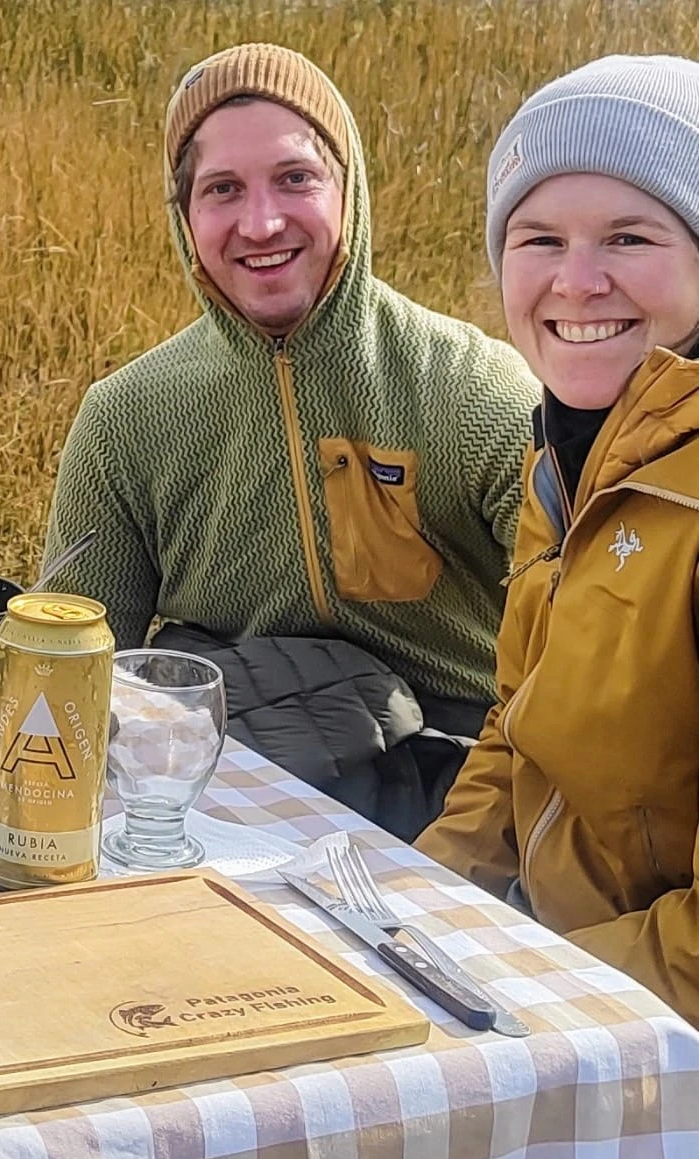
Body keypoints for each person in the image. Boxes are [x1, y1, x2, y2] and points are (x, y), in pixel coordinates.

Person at [41, 42, 540, 839]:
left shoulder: (477, 393)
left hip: (453, 794)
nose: (261, 223)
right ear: (183, 215)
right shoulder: (126, 417)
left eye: (296, 178)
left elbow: (579, 669)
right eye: (222, 189)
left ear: (350, 190)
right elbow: (70, 673)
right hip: (208, 790)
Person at [413, 53, 699, 1159]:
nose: (577, 282)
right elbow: (512, 728)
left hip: (655, 1076)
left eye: (630, 235)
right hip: (576, 997)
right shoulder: (572, 451)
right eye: (540, 239)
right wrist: (408, 914)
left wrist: (516, 992)